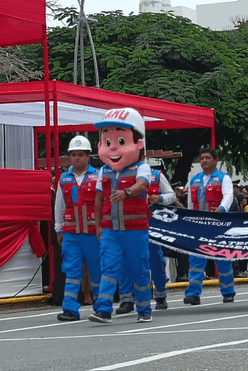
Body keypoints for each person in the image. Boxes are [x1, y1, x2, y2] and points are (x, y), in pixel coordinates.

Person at [91, 107, 152, 323]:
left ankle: (144, 309)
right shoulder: (103, 171)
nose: (113, 148)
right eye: (107, 142)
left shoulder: (142, 168)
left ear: (138, 143)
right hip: (110, 230)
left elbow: (142, 184)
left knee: (139, 269)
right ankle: (103, 309)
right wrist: (98, 226)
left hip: (135, 230)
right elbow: (99, 199)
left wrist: (126, 192)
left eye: (120, 141)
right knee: (108, 268)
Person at [116, 165, 177, 314]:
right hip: (130, 225)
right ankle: (126, 299)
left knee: (155, 260)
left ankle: (160, 295)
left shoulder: (156, 175)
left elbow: (172, 195)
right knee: (126, 262)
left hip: (153, 226)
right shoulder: (121, 174)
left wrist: (160, 198)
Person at [53, 136, 101, 321]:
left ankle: (101, 306)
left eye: (81, 154)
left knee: (97, 270)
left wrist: (102, 229)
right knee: (72, 271)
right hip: (71, 234)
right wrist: (59, 230)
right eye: (74, 154)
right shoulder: (64, 180)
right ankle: (70, 309)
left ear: (88, 156)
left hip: (92, 234)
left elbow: (103, 205)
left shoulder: (97, 177)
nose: (77, 158)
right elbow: (60, 206)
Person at [183, 147, 236, 305]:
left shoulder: (223, 178)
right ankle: (193, 293)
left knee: (221, 257)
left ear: (216, 160)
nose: (204, 161)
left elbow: (228, 196)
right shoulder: (195, 179)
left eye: (207, 158)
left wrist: (221, 209)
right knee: (196, 259)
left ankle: (228, 292)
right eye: (202, 158)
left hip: (217, 224)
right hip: (198, 225)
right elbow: (191, 203)